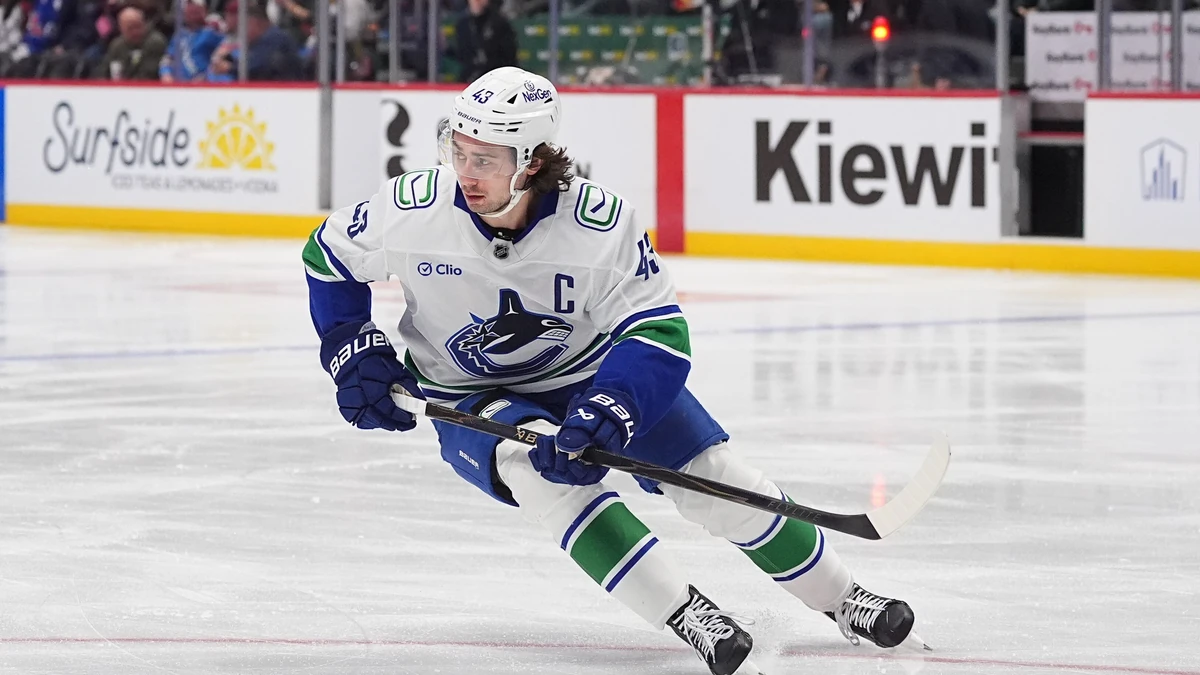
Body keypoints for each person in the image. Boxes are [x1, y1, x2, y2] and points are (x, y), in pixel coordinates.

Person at [302, 66, 922, 675]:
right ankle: (688, 614)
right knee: (541, 477)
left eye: (487, 159)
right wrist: (350, 347)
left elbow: (658, 330)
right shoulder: (413, 208)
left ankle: (844, 599)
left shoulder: (599, 225)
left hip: (588, 371)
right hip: (463, 388)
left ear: (533, 161)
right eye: (458, 151)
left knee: (712, 473)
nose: (465, 173)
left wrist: (613, 408)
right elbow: (327, 256)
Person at [95, 5, 167, 80]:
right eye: (130, 28)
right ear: (121, 29)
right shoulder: (117, 45)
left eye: (138, 26)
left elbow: (149, 75)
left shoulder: (155, 42)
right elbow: (103, 71)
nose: (135, 32)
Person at [453, 0, 517, 83]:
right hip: (469, 77)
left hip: (495, 78)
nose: (477, 2)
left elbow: (509, 56)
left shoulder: (499, 23)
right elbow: (462, 54)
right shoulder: (463, 24)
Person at [159, 0, 223, 82]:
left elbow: (220, 57)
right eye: (189, 6)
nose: (191, 10)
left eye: (195, 8)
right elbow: (168, 59)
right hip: (177, 84)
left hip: (202, 84)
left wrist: (206, 76)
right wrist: (166, 73)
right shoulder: (179, 35)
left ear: (204, 10)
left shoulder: (211, 33)